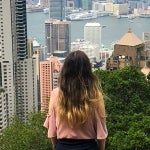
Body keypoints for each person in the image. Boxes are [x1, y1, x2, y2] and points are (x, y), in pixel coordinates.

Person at [43, 50, 108, 150]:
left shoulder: (56, 94)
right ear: (87, 71)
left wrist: (56, 146)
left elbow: (52, 131)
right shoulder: (95, 95)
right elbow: (101, 133)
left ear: (65, 71)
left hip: (63, 146)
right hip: (89, 147)